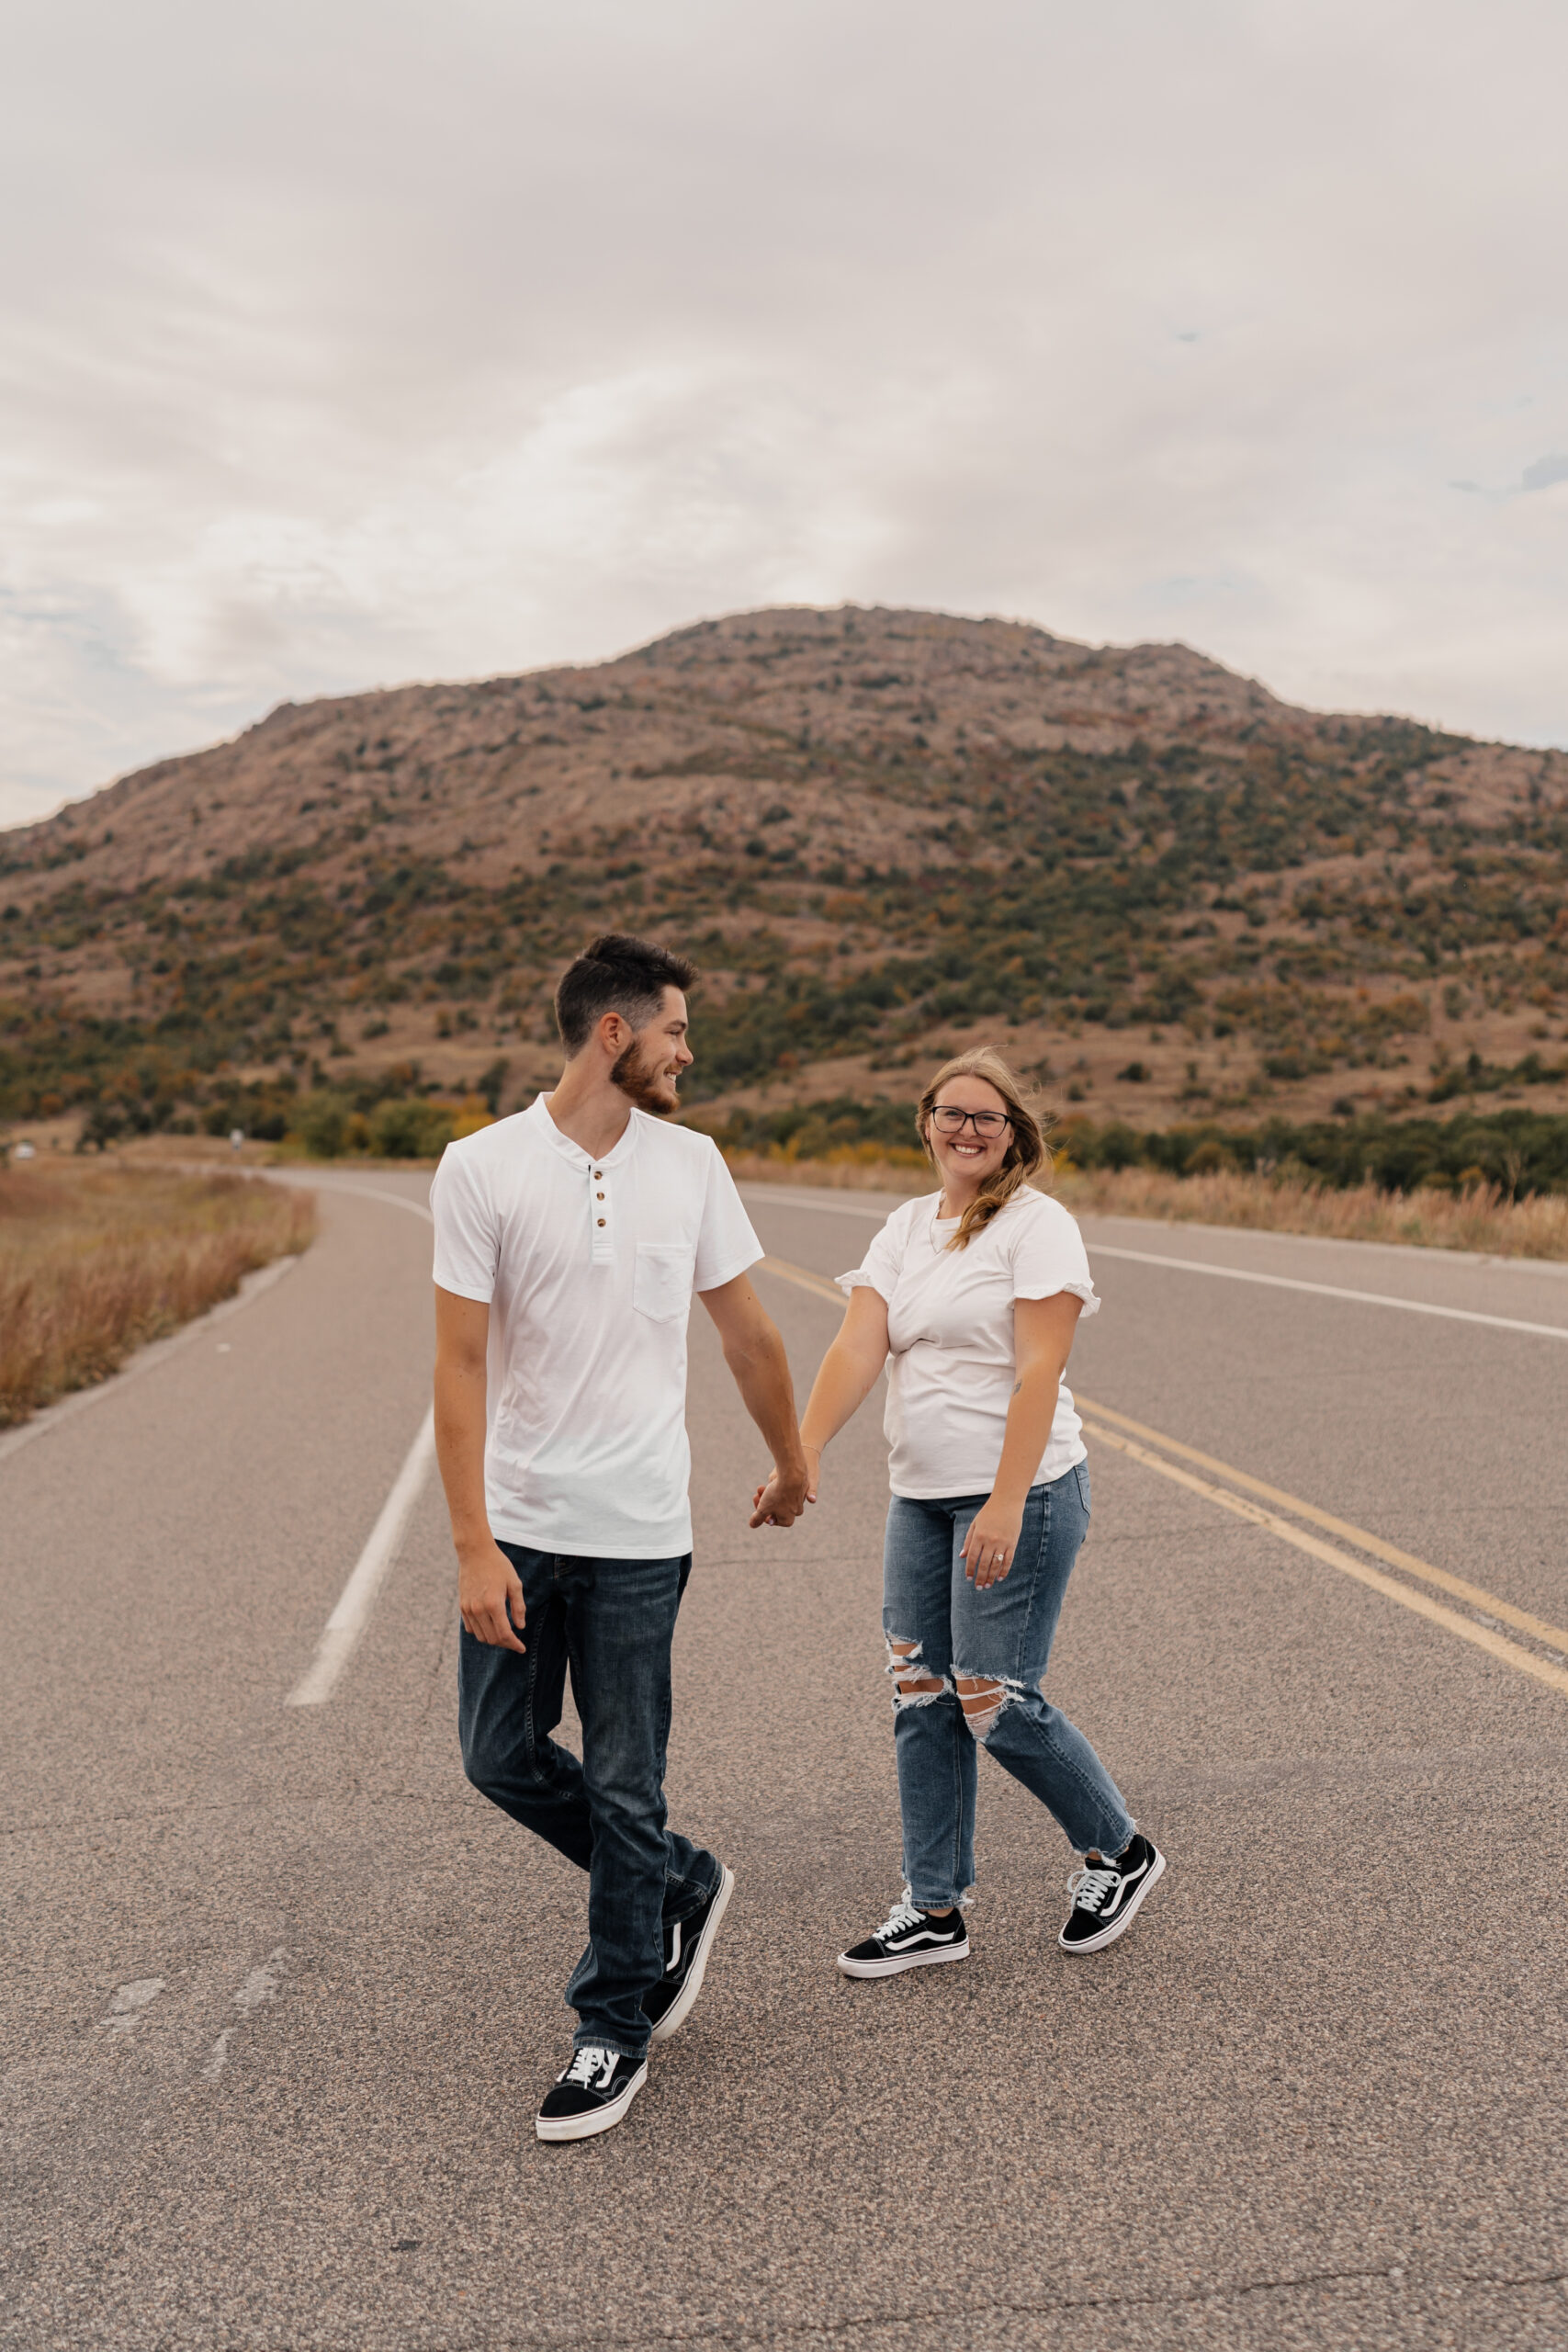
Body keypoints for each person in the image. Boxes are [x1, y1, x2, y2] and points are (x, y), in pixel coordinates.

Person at [431, 933, 809, 2142]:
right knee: (498, 1755)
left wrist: (792, 1459)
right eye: (675, 1031)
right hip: (523, 1527)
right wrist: (470, 1544)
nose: (687, 1051)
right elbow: (455, 1365)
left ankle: (610, 2027)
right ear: (614, 1032)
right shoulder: (480, 1167)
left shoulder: (690, 1164)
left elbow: (746, 1334)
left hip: (642, 1529)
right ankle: (674, 1882)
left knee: (625, 1778)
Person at [755, 1046, 1163, 1977]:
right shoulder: (904, 1229)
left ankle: (1119, 1848)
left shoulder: (1037, 1226)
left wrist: (1009, 1499)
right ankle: (934, 1904)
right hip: (922, 1499)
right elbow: (859, 1347)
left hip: (1023, 1491)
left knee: (995, 1697)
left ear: (1014, 1133)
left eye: (988, 1117)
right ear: (926, 1120)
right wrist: (803, 1452)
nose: (968, 1129)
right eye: (952, 1112)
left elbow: (1038, 1370)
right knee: (921, 1695)